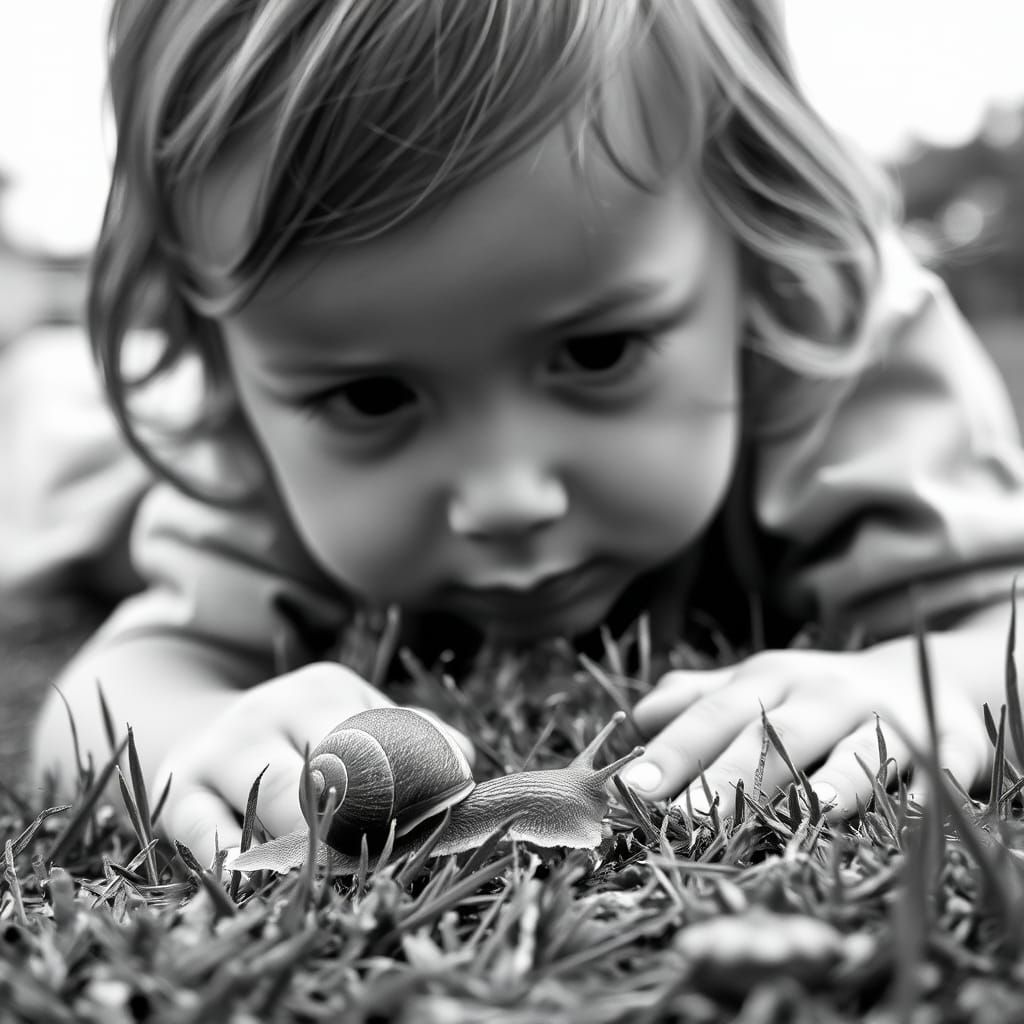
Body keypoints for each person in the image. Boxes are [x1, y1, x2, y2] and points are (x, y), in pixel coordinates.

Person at [30, 0, 1024, 866]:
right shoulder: (238, 450)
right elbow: (97, 701)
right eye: (371, 397)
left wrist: (940, 679)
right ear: (224, 366)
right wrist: (192, 734)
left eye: (595, 354)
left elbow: (1001, 618)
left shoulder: (833, 349)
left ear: (756, 248)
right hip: (111, 478)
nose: (505, 496)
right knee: (63, 498)